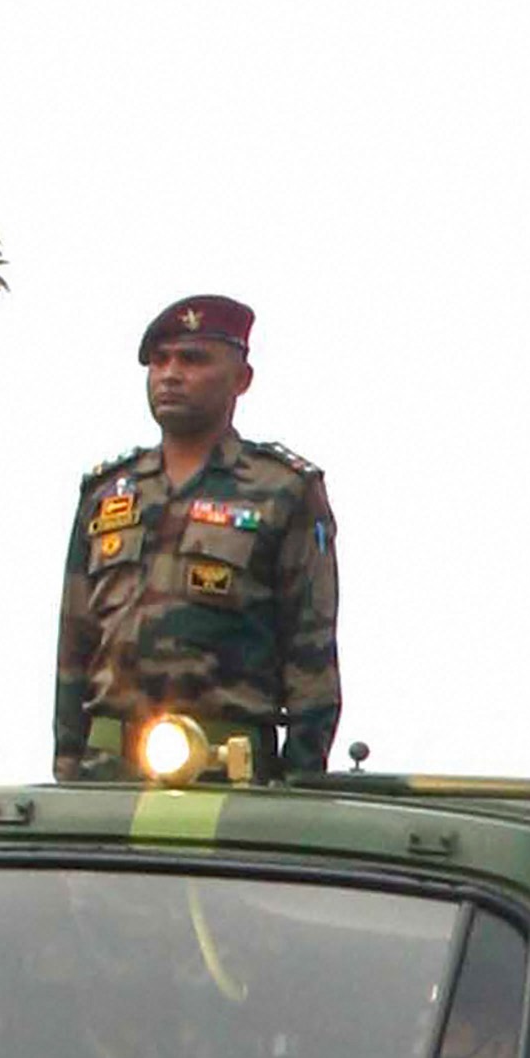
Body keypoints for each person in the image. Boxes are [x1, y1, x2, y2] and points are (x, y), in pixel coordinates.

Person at [53, 294, 342, 785]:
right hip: (107, 770)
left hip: (227, 768)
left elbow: (310, 652)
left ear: (241, 379)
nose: (170, 374)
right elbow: (74, 642)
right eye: (159, 361)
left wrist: (300, 784)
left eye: (192, 359)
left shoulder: (282, 490)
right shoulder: (107, 491)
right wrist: (67, 768)